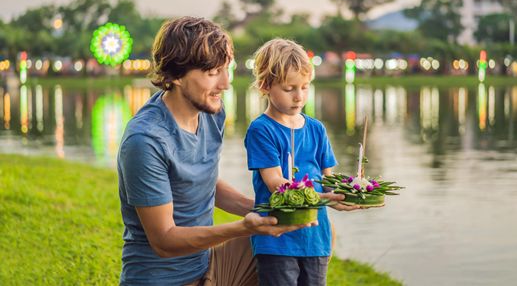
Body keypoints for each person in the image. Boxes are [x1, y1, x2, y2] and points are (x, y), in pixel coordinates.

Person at [117, 17, 314, 286]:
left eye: (226, 69)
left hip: (208, 266)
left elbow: (204, 182)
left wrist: (270, 212)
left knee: (305, 242)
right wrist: (242, 227)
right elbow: (163, 241)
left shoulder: (211, 112)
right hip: (163, 279)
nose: (225, 84)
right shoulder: (146, 140)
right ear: (175, 76)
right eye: (212, 73)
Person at [244, 38, 363, 286]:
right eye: (289, 89)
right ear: (266, 85)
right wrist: (324, 197)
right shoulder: (262, 130)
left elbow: (327, 179)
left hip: (315, 237)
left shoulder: (316, 129)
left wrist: (348, 193)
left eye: (305, 87)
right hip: (278, 240)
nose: (299, 97)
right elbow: (275, 183)